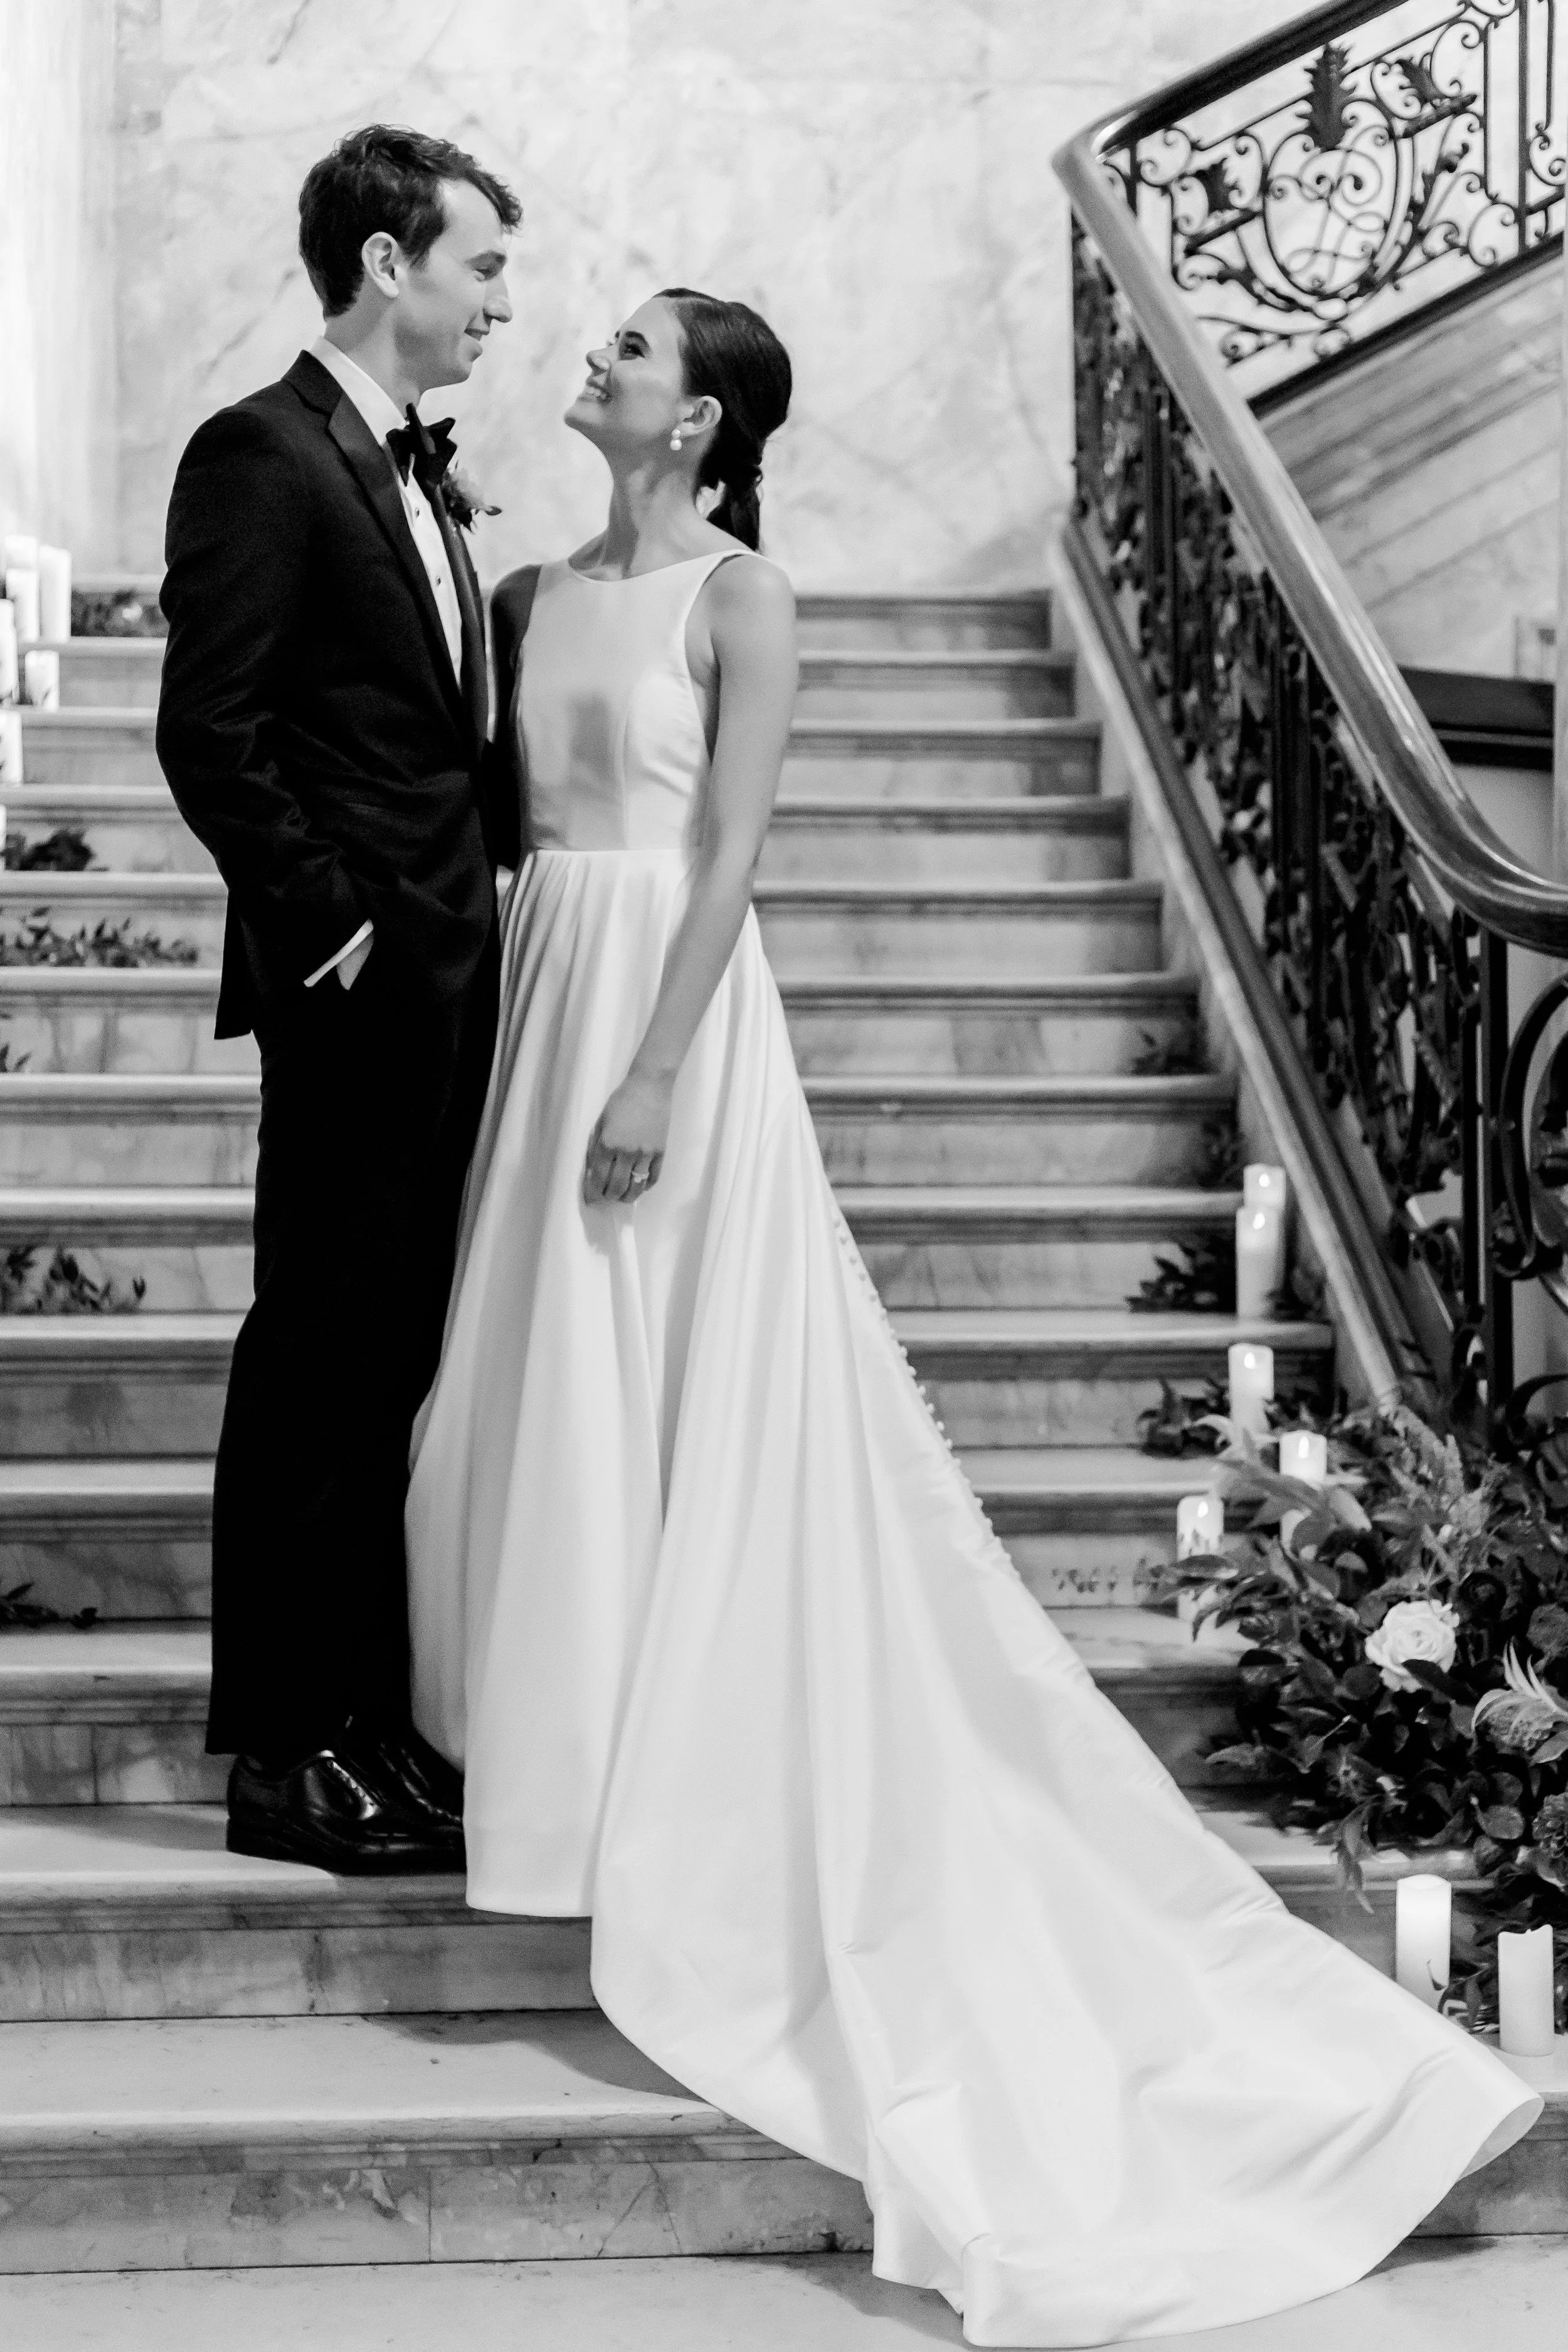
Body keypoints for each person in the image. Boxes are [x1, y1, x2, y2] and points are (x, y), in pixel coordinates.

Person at [404, 288, 1540, 2345]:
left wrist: (655, 1068)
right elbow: (504, 833)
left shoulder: (745, 602)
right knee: (550, 1384)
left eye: (637, 348)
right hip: (538, 979)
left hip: (667, 1005)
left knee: (669, 1368)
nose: (596, 357)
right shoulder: (521, 585)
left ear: (713, 415)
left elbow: (729, 849)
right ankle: (552, 1758)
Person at [157, 124, 519, 1873]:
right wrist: (330, 926)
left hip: (450, 974)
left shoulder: (408, 465)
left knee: (384, 1359)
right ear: (388, 262)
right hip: (356, 978)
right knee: (313, 1357)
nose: (499, 307)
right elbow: (207, 730)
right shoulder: (261, 454)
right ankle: (283, 1755)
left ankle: (367, 1721)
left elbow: (443, 734)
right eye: (482, 268)